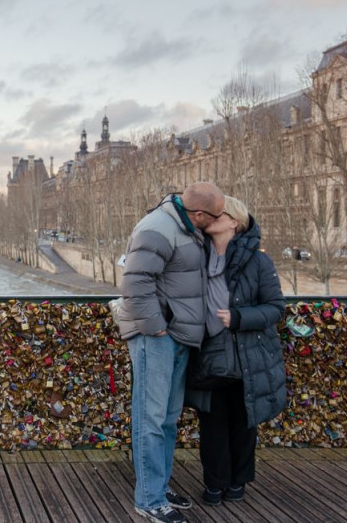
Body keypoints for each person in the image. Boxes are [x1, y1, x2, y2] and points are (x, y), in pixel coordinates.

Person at [119, 181, 225, 523]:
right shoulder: (157, 228)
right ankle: (149, 499)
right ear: (198, 214)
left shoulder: (184, 227)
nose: (217, 221)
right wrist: (157, 328)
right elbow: (135, 283)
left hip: (175, 334)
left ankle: (159, 487)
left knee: (165, 418)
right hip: (157, 337)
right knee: (150, 419)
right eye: (215, 217)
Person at [186, 196, 285, 506]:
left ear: (235, 221)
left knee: (243, 422)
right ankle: (215, 483)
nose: (212, 216)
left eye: (220, 212)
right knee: (212, 422)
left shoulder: (258, 261)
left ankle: (238, 481)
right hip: (209, 353)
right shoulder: (194, 256)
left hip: (247, 353)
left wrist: (240, 317)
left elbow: (275, 308)